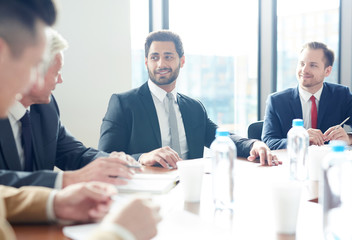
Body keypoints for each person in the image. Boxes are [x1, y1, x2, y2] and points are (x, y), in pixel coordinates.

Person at [0, 1, 160, 240]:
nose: (32, 79)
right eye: (35, 65)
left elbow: (73, 152)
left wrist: (56, 201)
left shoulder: (46, 110)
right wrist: (118, 233)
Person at [99, 30, 278, 167]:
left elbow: (220, 137)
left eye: (168, 56)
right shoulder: (123, 104)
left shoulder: (194, 107)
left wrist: (253, 144)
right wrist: (142, 158)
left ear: (182, 61)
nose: (161, 64)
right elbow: (104, 156)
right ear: (146, 62)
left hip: (192, 187)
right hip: (148, 192)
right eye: (155, 57)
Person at [0, 29, 137, 189]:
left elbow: (75, 154)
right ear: (34, 70)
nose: (60, 80)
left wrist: (110, 162)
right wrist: (63, 180)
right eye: (57, 72)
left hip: (46, 211)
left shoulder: (46, 108)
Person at [262, 41, 352, 150]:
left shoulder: (341, 95)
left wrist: (350, 138)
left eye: (313, 65)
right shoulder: (276, 101)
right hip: (292, 162)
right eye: (302, 64)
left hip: (329, 162)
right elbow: (268, 141)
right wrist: (299, 141)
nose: (304, 70)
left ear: (327, 71)